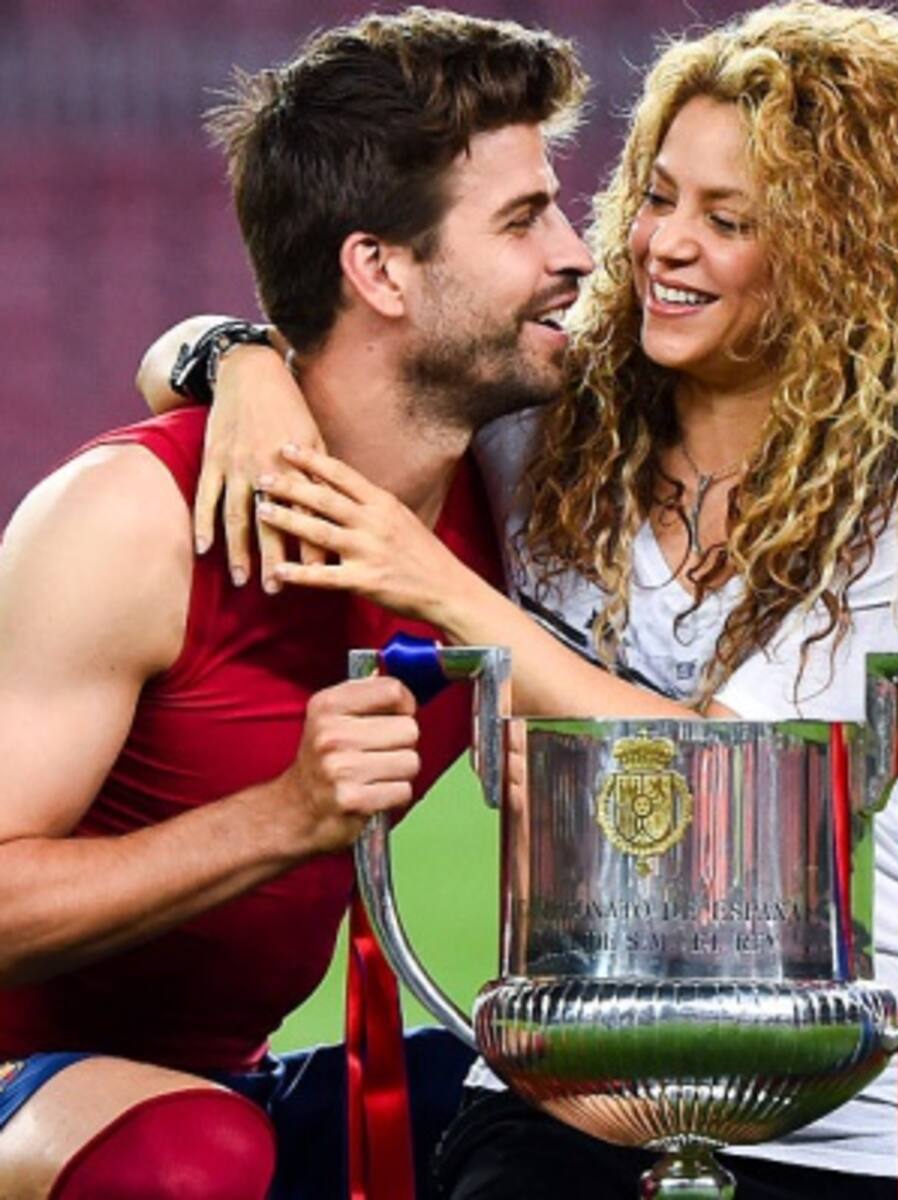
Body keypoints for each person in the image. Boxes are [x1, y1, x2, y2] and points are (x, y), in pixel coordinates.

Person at [139, 4, 898, 1197]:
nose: (663, 243)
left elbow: (744, 789)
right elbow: (313, 353)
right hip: (563, 1088)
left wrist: (436, 586)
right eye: (658, 196)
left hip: (837, 1111)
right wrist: (241, 360)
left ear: (848, 256)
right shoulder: (553, 420)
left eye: (728, 220)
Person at [0, 9, 592, 1199]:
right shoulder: (130, 519)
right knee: (191, 1167)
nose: (574, 253)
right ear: (379, 270)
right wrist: (284, 816)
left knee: (595, 1107)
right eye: (524, 219)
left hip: (238, 1083)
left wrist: (229, 350)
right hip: (35, 1090)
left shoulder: (512, 488)